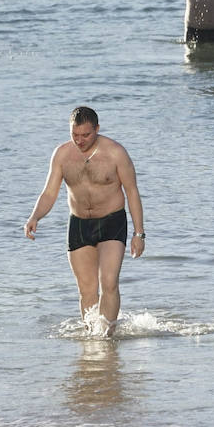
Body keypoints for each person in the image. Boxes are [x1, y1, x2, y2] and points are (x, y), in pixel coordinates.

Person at [24, 107, 145, 336]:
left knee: (109, 282)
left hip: (112, 221)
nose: (79, 140)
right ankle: (92, 338)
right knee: (87, 290)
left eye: (85, 135)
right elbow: (49, 193)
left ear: (97, 130)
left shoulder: (116, 153)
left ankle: (107, 338)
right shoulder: (62, 154)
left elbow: (132, 192)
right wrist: (34, 217)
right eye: (75, 135)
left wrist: (139, 234)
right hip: (79, 224)